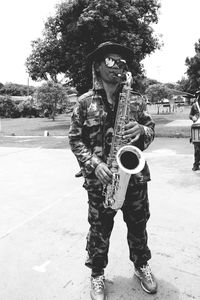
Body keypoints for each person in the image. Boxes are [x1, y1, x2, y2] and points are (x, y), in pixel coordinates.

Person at [68, 41, 157, 299]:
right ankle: (97, 274)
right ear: (98, 66)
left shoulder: (137, 100)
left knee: (138, 226)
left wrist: (142, 131)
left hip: (134, 178)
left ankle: (141, 264)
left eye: (121, 62)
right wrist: (94, 164)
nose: (118, 66)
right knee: (99, 230)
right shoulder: (84, 103)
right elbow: (75, 139)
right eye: (111, 61)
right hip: (100, 180)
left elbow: (151, 130)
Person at [189, 90, 200, 171]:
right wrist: (192, 117)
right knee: (197, 148)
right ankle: (196, 164)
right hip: (197, 128)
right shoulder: (194, 106)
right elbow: (190, 115)